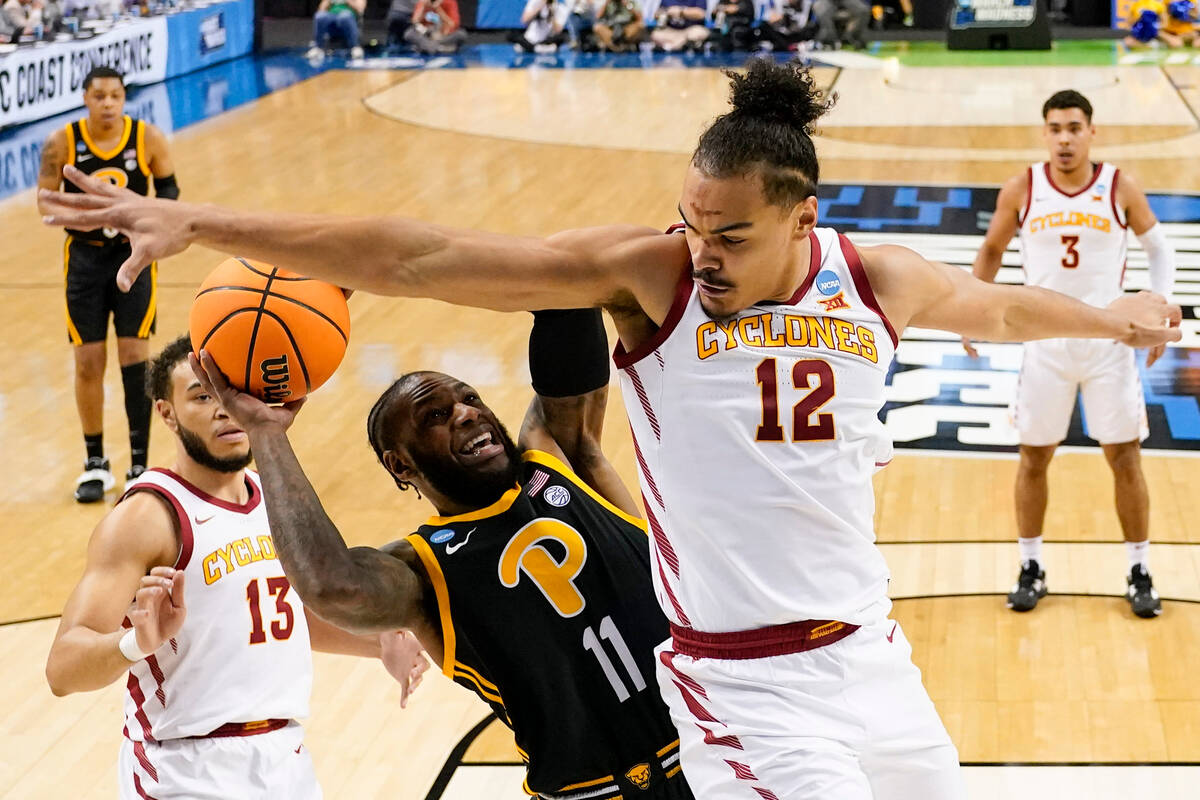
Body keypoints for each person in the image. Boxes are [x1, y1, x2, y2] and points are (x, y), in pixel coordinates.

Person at [40, 60, 1182, 799]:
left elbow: (996, 307)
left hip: (871, 655)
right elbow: (419, 256)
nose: (703, 249)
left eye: (730, 233)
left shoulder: (872, 277)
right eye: (690, 221)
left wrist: (1110, 316)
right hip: (740, 685)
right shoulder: (655, 278)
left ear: (803, 217)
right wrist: (199, 220)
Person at [189, 309, 695, 799]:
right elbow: (329, 584)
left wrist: (544, 277)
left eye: (470, 397)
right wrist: (266, 433)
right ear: (400, 464)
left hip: (720, 754)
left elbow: (569, 315)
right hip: (594, 792)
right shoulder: (422, 571)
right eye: (436, 415)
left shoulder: (557, 457)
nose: (467, 412)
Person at [44, 334, 428, 799]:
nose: (223, 409)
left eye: (230, 394)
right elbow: (63, 669)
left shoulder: (273, 495)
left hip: (284, 759)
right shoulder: (147, 517)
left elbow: (279, 615)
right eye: (202, 397)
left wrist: (378, 643)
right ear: (166, 413)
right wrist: (134, 643)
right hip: (183, 770)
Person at [964, 90, 1176, 619]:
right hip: (1045, 347)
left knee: (1124, 457)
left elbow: (1159, 247)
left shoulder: (1118, 185)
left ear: (1091, 132)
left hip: (1111, 344)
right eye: (1055, 128)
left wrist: (1164, 309)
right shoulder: (1024, 188)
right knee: (1034, 456)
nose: (1064, 138)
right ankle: (1031, 565)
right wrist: (967, 311)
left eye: (1074, 127)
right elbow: (991, 250)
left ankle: (1139, 568)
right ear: (1044, 133)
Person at [36, 66, 179, 503]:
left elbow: (170, 193)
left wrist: (138, 217)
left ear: (123, 97)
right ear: (85, 98)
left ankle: (139, 463)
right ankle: (94, 462)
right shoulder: (62, 142)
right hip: (83, 258)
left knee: (135, 356)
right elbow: (45, 198)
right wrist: (89, 214)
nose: (108, 104)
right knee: (87, 361)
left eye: (116, 95)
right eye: (99, 96)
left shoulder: (147, 138)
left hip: (132, 256)